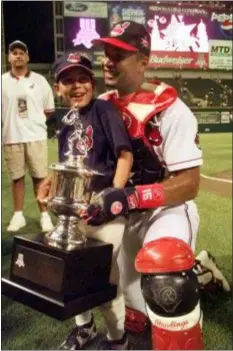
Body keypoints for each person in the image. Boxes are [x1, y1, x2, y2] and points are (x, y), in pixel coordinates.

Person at [80, 21, 230, 350]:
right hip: (118, 213)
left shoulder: (173, 110)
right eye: (106, 52)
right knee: (133, 313)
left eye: (119, 54)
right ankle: (203, 271)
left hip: (164, 210)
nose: (108, 60)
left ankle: (191, 269)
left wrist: (132, 196)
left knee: (168, 282)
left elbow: (188, 185)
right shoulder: (99, 106)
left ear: (143, 61)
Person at [37, 52, 133, 350]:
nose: (77, 86)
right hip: (74, 210)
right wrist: (51, 181)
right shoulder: (66, 121)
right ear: (58, 88)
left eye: (83, 79)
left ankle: (118, 339)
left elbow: (124, 155)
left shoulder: (103, 110)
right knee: (72, 275)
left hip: (106, 212)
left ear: (93, 83)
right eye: (68, 80)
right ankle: (85, 328)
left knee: (103, 277)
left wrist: (112, 194)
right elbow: (67, 160)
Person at [2, 40, 54, 233]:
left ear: (27, 57)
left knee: (39, 178)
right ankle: (18, 215)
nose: (18, 56)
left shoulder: (39, 81)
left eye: (21, 53)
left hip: (36, 136)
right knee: (17, 178)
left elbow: (48, 110)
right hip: (11, 136)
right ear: (9, 57)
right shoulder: (2, 82)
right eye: (14, 52)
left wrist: (33, 122)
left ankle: (44, 215)